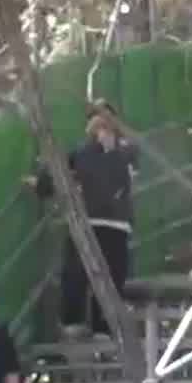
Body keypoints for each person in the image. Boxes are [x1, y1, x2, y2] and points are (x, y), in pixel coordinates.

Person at [57, 100, 138, 338]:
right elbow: (60, 173)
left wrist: (110, 149)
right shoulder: (81, 152)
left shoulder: (126, 150)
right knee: (76, 272)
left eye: (106, 118)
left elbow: (118, 178)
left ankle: (105, 324)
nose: (101, 124)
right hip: (86, 220)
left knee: (113, 275)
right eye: (96, 118)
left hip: (116, 223)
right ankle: (73, 321)